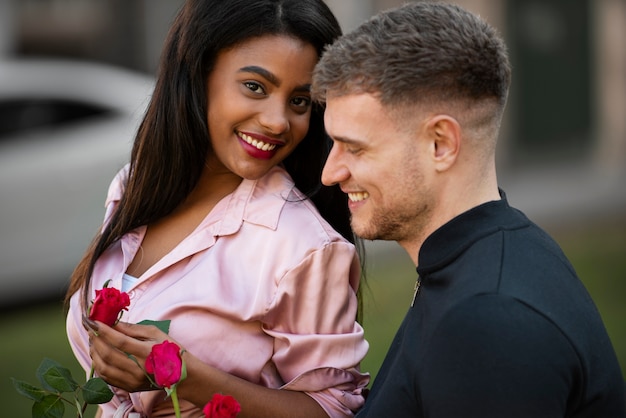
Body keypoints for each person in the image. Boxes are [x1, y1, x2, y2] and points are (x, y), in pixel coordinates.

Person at [312, 2, 626, 417]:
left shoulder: (488, 321)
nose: (330, 172)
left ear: (441, 143)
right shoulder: (485, 260)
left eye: (355, 147)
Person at [65, 0, 370, 417]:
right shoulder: (133, 186)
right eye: (255, 87)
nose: (278, 121)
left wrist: (185, 375)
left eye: (300, 101)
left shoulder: (303, 247)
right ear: (199, 75)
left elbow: (333, 410)